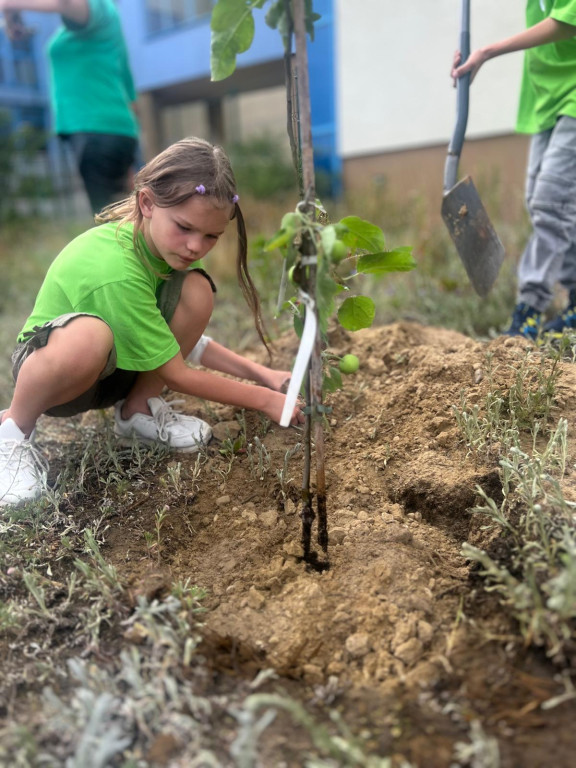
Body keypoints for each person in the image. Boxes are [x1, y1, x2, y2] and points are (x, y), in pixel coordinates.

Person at [0, 137, 304, 508]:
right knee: (88, 337)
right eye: (185, 227)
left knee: (196, 290)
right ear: (147, 203)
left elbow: (179, 340)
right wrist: (266, 400)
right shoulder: (117, 269)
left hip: (114, 372)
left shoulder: (162, 255)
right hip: (56, 377)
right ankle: (13, 432)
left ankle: (137, 411)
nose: (196, 246)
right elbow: (176, 372)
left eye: (211, 236)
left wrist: (264, 374)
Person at [452, 0, 576, 340]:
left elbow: (568, 21)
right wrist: (471, 57)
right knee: (544, 201)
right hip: (549, 100)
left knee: (552, 204)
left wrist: (487, 51)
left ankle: (528, 312)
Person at [0, 0, 140, 214]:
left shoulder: (99, 7)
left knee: (108, 222)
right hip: (113, 132)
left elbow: (64, 3)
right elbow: (129, 90)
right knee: (122, 217)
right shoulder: (103, 25)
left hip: (97, 131)